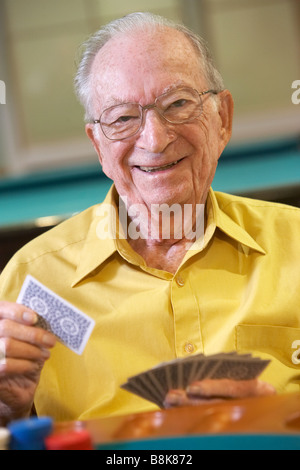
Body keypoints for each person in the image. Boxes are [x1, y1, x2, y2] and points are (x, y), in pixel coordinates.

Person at [0, 12, 299, 425]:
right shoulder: (28, 282)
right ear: (98, 146)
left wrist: (282, 420)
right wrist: (6, 411)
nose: (155, 139)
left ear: (222, 119)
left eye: (178, 104)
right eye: (123, 118)